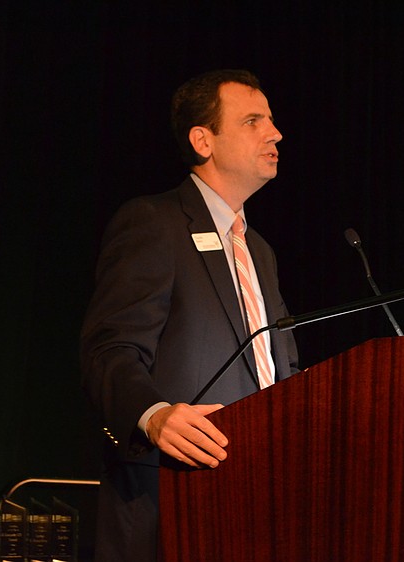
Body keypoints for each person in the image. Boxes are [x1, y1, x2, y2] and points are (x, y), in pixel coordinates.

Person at [80, 69, 299, 562]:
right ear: (204, 140)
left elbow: (282, 370)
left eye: (271, 119)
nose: (275, 132)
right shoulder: (153, 223)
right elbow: (109, 350)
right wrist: (154, 415)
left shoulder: (259, 250)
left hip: (261, 495)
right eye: (252, 120)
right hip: (173, 495)